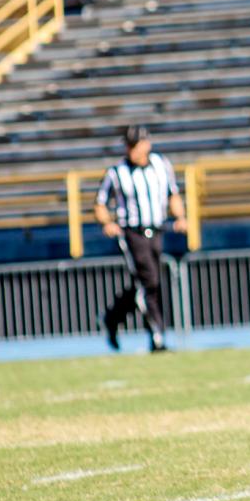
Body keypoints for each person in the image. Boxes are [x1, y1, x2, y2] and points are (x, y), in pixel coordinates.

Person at [94, 125, 187, 353]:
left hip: (156, 231)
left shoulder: (161, 165)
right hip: (132, 234)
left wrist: (181, 217)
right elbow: (100, 202)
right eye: (129, 145)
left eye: (136, 144)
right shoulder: (117, 172)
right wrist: (108, 223)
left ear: (147, 144)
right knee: (149, 282)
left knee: (145, 284)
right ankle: (157, 336)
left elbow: (172, 193)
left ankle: (112, 317)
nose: (133, 150)